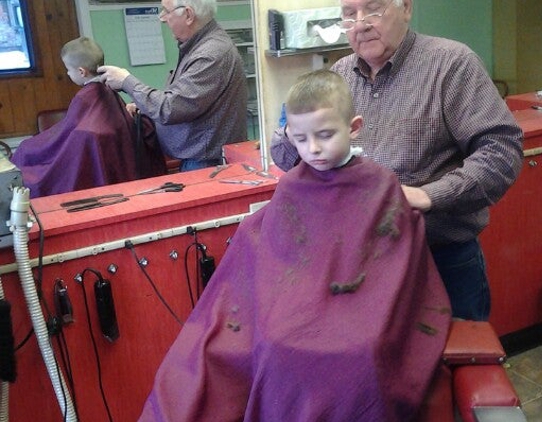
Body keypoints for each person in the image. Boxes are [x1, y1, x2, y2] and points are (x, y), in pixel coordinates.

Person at [138, 69, 451, 422]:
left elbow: (394, 272)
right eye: (300, 139)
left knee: (366, 354)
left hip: (367, 312)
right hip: (296, 308)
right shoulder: (292, 187)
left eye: (325, 135)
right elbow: (277, 262)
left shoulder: (381, 186)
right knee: (274, 346)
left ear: (355, 127)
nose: (313, 149)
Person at [271, 0, 524, 321]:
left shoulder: (451, 65)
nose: (360, 24)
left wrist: (427, 196)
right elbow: (285, 159)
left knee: (452, 365)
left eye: (373, 9)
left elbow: (501, 150)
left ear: (405, 8)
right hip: (364, 266)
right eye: (349, 15)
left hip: (440, 261)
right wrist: (296, 131)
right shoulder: (339, 76)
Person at [98, 0, 248, 172]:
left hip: (204, 164)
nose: (162, 18)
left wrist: (126, 81)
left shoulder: (211, 54)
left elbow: (170, 108)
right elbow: (182, 100)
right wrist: (143, 108)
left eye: (166, 11)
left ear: (189, 15)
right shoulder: (198, 47)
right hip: (199, 161)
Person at [11, 37, 166, 198]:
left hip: (96, 178)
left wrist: (29, 149)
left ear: (81, 72)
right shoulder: (109, 91)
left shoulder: (86, 98)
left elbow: (67, 136)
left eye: (68, 69)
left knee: (25, 153)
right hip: (123, 178)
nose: (67, 73)